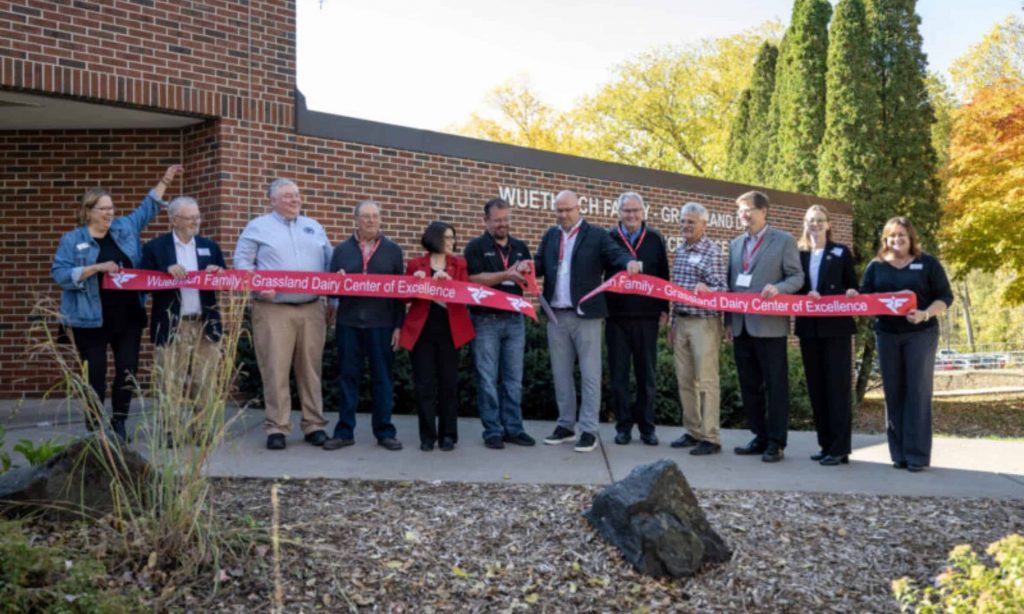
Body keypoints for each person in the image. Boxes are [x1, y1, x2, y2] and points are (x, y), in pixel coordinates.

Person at [52, 165, 183, 440]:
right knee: (95, 376)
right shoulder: (73, 240)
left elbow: (148, 208)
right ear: (88, 211)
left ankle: (120, 422)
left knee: (127, 372)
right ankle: (96, 425)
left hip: (128, 316)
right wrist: (94, 268)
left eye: (111, 208)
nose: (110, 213)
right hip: (90, 319)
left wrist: (165, 180)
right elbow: (61, 275)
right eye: (103, 209)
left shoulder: (124, 228)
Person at [535, 190, 641, 453]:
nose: (563, 215)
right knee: (561, 374)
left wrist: (630, 262)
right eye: (559, 210)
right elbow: (539, 264)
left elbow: (617, 254)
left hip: (587, 315)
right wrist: (526, 266)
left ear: (578, 208)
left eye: (568, 209)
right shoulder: (550, 235)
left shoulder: (595, 235)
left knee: (590, 375)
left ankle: (589, 430)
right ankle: (566, 425)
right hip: (555, 315)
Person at [234, 179, 333, 451]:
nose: (295, 200)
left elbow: (329, 264)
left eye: (297, 195)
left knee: (311, 370)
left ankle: (314, 425)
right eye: (288, 196)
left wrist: (333, 298)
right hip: (273, 309)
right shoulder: (257, 227)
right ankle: (277, 427)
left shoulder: (314, 226)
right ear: (273, 200)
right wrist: (256, 285)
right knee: (275, 369)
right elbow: (242, 263)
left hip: (312, 308)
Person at [855, 216, 952, 473]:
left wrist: (925, 313)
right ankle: (898, 454)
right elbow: (865, 297)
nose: (897, 240)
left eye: (902, 235)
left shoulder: (927, 263)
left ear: (911, 238)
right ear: (885, 239)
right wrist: (856, 296)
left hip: (921, 334)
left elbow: (945, 296)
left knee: (918, 393)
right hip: (887, 335)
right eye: (892, 236)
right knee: (894, 392)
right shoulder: (876, 266)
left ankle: (917, 456)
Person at [727, 190, 804, 463]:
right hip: (741, 326)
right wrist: (728, 321)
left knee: (775, 385)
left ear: (763, 212)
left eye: (747, 209)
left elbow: (797, 277)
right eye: (740, 211)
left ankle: (776, 441)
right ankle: (759, 435)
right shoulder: (735, 244)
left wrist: (779, 288)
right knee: (749, 386)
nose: (743, 215)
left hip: (770, 327)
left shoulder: (783, 241)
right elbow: (730, 287)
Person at [141, 196, 227, 438]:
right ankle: (169, 430)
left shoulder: (210, 247)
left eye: (198, 217)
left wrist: (218, 273)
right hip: (172, 324)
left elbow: (225, 278)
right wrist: (163, 272)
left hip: (204, 323)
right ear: (174, 219)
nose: (196, 222)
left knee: (205, 380)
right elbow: (142, 282)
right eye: (190, 218)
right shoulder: (155, 248)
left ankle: (201, 429)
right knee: (169, 380)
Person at [323, 200, 405, 452]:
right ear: (356, 219)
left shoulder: (393, 250)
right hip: (349, 323)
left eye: (375, 216)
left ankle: (384, 432)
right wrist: (334, 294)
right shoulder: (341, 251)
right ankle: (344, 432)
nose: (371, 220)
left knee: (382, 379)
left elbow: (400, 292)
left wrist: (398, 326)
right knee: (348, 378)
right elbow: (331, 289)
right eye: (366, 216)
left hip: (382, 324)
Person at [464, 198, 536, 450]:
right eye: (497, 221)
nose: (503, 224)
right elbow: (473, 280)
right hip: (485, 321)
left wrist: (527, 274)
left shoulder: (520, 247)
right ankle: (492, 430)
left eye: (506, 219)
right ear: (485, 221)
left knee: (514, 379)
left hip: (515, 321)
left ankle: (514, 428)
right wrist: (507, 274)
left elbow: (528, 283)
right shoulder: (475, 247)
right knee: (487, 379)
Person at [400, 222, 475, 451]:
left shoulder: (459, 264)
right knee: (424, 385)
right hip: (422, 332)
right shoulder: (416, 264)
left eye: (453, 237)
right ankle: (427, 436)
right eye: (447, 238)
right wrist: (415, 284)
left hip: (450, 331)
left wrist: (450, 284)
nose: (452, 242)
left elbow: (465, 296)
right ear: (434, 239)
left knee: (449, 385)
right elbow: (404, 299)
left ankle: (448, 435)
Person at [795, 205, 857, 466]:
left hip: (836, 328)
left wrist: (852, 293)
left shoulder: (841, 252)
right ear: (805, 224)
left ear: (829, 224)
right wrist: (804, 296)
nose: (816, 224)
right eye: (811, 220)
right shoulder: (799, 254)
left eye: (820, 220)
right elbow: (794, 287)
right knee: (817, 388)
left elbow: (852, 285)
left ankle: (841, 448)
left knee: (838, 387)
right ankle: (826, 444)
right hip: (809, 329)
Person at [606, 192, 670, 446]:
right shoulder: (609, 238)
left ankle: (647, 427)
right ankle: (623, 427)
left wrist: (665, 308)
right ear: (618, 212)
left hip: (647, 317)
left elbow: (664, 274)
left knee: (647, 375)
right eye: (626, 211)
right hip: (616, 317)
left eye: (635, 211)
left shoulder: (655, 238)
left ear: (644, 212)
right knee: (619, 375)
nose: (631, 215)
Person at [668, 202, 727, 456]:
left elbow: (723, 289)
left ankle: (710, 436)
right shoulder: (681, 250)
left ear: (704, 224)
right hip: (681, 321)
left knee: (706, 381)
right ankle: (692, 430)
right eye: (682, 221)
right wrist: (672, 323)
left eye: (691, 222)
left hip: (704, 323)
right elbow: (675, 289)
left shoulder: (712, 252)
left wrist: (708, 291)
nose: (685, 226)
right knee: (684, 380)